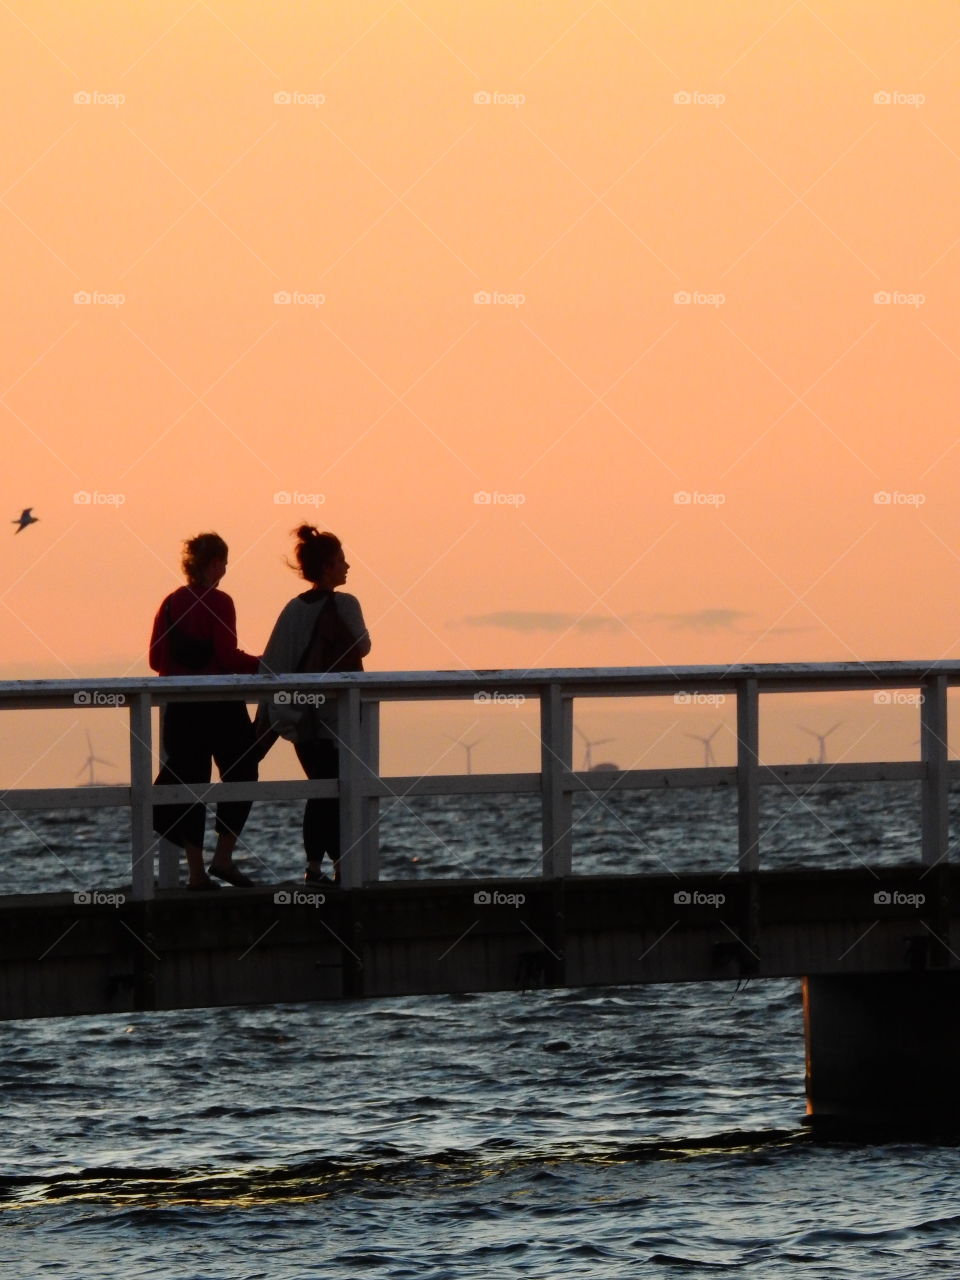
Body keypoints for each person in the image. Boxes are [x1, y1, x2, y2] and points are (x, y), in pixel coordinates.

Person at [258, 527, 371, 885]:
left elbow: (272, 663)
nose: (347, 566)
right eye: (340, 561)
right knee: (335, 791)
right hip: (334, 716)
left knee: (320, 790)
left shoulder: (292, 609)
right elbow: (363, 646)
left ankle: (314, 867)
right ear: (326, 567)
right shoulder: (345, 604)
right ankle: (338, 868)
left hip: (298, 717)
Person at [150, 532, 261, 890]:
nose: (226, 568)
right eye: (224, 562)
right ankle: (223, 858)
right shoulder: (220, 601)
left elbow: (155, 659)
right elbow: (229, 658)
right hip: (219, 707)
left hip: (180, 709)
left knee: (189, 784)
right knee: (243, 770)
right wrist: (263, 664)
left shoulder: (169, 604)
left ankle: (196, 872)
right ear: (214, 563)